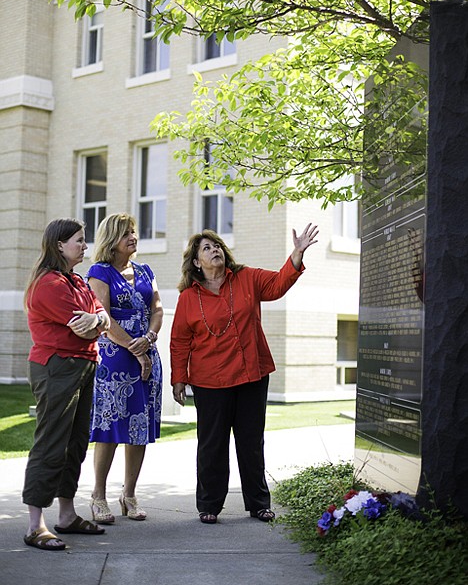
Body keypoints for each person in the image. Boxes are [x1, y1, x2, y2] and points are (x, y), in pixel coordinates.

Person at [171, 223, 319, 524]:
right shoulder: (188, 297)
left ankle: (258, 502)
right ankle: (209, 505)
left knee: (251, 442)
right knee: (212, 444)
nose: (215, 250)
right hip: (209, 381)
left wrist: (297, 253)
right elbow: (180, 340)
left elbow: (278, 285)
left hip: (251, 374)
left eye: (217, 246)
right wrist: (178, 378)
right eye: (207, 248)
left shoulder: (247, 278)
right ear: (197, 262)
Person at [22, 218, 111, 551]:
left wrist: (98, 319)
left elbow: (100, 314)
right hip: (57, 366)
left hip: (84, 365)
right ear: (59, 245)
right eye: (79, 240)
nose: (85, 246)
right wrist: (96, 321)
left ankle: (66, 516)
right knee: (52, 442)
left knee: (75, 443)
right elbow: (83, 327)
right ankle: (35, 524)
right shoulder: (49, 285)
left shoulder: (76, 281)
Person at [87, 213, 163, 524]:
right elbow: (102, 316)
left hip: (147, 353)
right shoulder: (99, 272)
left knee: (138, 429)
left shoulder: (146, 271)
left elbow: (156, 308)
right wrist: (135, 347)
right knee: (109, 429)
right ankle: (98, 495)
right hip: (115, 361)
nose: (133, 237)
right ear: (111, 239)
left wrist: (149, 338)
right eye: (126, 233)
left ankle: (129, 494)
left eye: (133, 231)